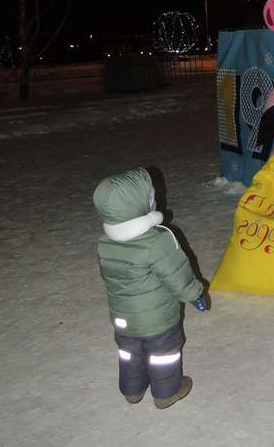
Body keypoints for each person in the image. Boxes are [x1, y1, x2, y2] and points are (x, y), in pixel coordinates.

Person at [94, 166, 207, 409]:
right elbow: (178, 275)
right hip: (158, 321)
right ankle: (167, 392)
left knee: (129, 354)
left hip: (122, 319)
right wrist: (196, 294)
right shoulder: (158, 240)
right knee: (163, 355)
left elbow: (106, 274)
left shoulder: (105, 242)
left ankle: (132, 391)